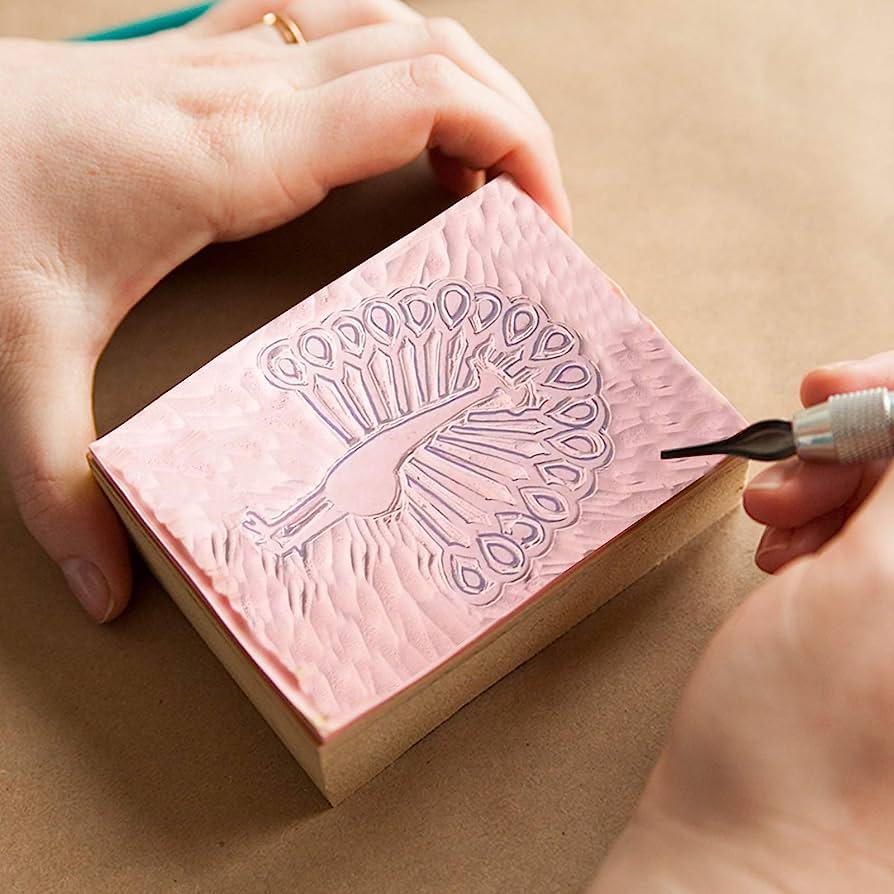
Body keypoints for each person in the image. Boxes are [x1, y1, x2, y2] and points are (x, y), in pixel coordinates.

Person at [0, 2, 890, 889]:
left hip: (383, 473)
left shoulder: (477, 431)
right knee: (346, 487)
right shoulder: (412, 386)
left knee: (350, 489)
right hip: (373, 466)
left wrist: (752, 853)